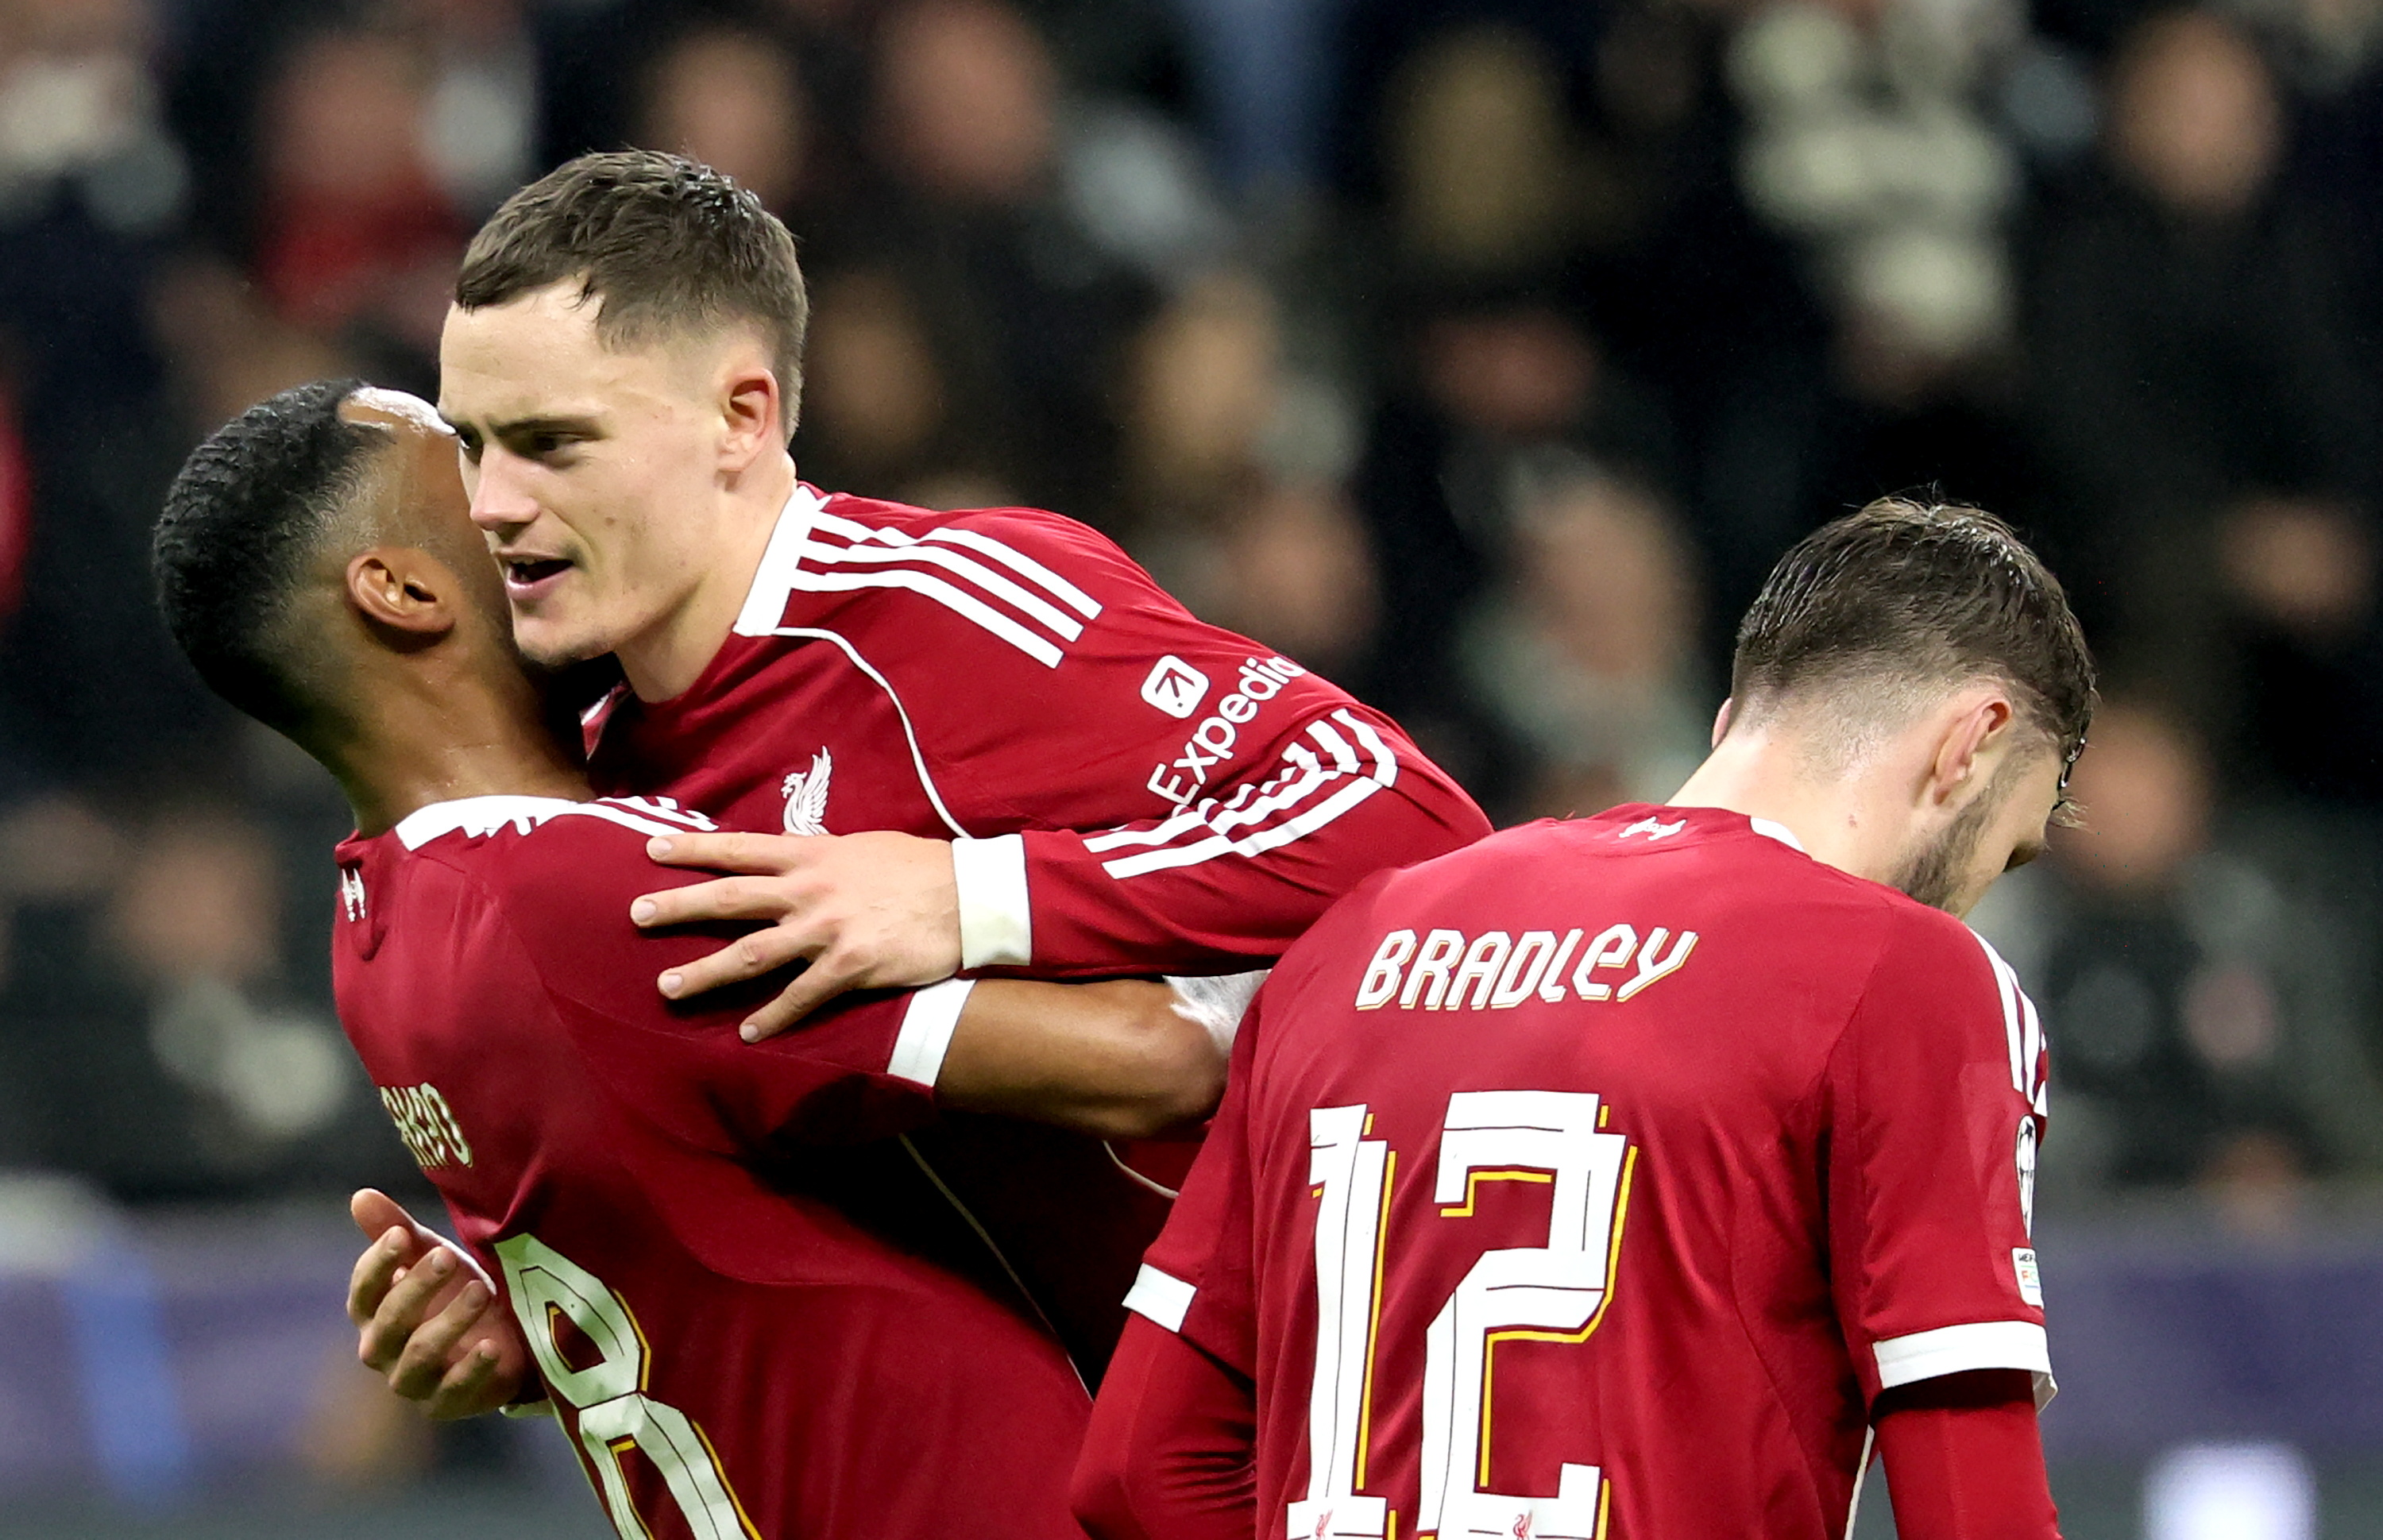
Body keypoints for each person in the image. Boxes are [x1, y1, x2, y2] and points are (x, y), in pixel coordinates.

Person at [423, 148, 1489, 1368]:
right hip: (1052, 1448)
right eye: (471, 443)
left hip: (1321, 1395)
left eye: (551, 444)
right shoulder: (599, 783)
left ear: (742, 417)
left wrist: (972, 895)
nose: (491, 504)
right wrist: (544, 1306)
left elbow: (1407, 815)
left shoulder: (946, 613)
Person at [150, 380, 1245, 1538]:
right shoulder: (581, 894)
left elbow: (673, 1217)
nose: (528, 498)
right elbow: (1160, 1062)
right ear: (406, 593)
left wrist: (516, 1330)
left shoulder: (384, 924)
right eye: (475, 467)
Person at [1075, 500, 2091, 1540]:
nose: (1973, 897)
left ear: (1732, 719)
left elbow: (1137, 1465)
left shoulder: (1350, 945)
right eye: (2001, 854)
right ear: (1972, 744)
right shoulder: (1908, 974)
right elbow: (1974, 1509)